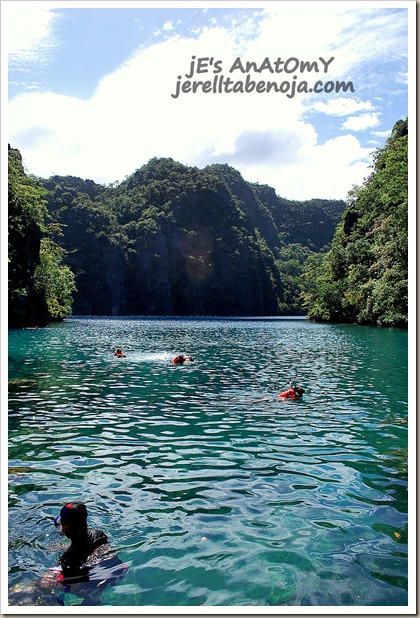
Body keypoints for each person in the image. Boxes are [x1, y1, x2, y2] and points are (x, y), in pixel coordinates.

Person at [40, 501, 127, 605]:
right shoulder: (99, 534)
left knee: (44, 581)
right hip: (119, 572)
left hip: (93, 584)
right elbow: (84, 546)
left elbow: (73, 585)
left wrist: (51, 582)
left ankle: (92, 599)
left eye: (62, 525)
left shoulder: (68, 558)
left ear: (65, 529)